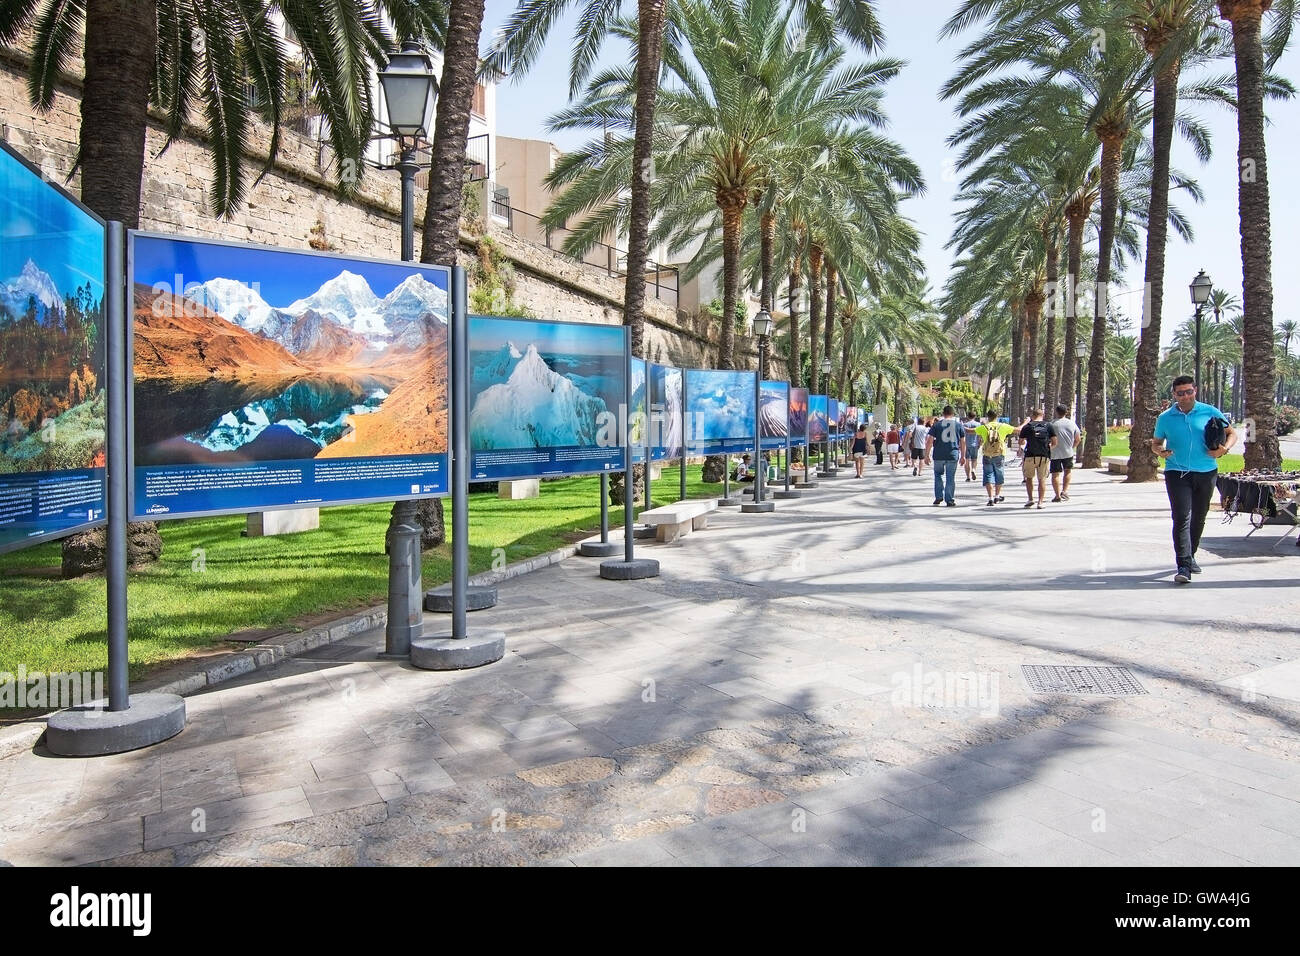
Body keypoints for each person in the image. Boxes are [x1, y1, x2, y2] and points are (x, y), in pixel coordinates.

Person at [1150, 375, 1236, 584]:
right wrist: (1160, 451)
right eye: (1181, 393)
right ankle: (1184, 565)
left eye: (1189, 391)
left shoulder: (1209, 411)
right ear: (1174, 395)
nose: (1185, 396)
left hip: (1206, 472)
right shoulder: (1165, 417)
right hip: (1176, 473)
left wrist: (1224, 450)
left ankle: (1191, 556)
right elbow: (1156, 442)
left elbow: (1232, 433)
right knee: (1181, 517)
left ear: (1195, 391)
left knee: (1199, 516)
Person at [925, 405, 967, 507]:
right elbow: (963, 442)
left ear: (943, 414)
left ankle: (939, 496)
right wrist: (963, 456)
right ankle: (949, 499)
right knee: (950, 477)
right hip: (952, 454)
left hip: (938, 454)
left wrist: (926, 455)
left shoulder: (936, 425)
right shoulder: (958, 425)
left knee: (938, 475)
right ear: (953, 414)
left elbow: (929, 441)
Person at [975, 413, 1014, 506]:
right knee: (999, 474)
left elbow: (970, 431)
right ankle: (997, 495)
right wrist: (1026, 422)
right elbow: (1018, 429)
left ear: (988, 417)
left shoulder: (983, 427)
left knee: (988, 475)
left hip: (987, 454)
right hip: (999, 454)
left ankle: (990, 498)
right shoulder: (1003, 426)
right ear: (997, 417)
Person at [1018, 408, 1053, 509]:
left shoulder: (1027, 427)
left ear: (1032, 416)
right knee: (1042, 479)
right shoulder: (1048, 426)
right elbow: (1054, 442)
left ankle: (1030, 499)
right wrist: (1048, 447)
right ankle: (1040, 502)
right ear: (1043, 415)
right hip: (1044, 456)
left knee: (1029, 478)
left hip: (1030, 455)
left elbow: (1021, 441)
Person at [1048, 404, 1081, 502]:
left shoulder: (1051, 424)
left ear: (1056, 412)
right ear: (1066, 412)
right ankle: (1065, 491)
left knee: (1055, 474)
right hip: (1068, 452)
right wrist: (1072, 447)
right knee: (1067, 471)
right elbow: (1078, 439)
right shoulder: (1072, 424)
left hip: (1054, 453)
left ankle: (1057, 495)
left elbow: (1047, 438)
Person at [962, 412, 981, 481]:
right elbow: (979, 435)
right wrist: (979, 443)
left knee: (967, 460)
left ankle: (968, 477)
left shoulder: (965, 425)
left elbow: (962, 436)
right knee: (974, 459)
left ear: (967, 416)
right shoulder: (978, 424)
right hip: (975, 444)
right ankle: (973, 469)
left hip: (966, 444)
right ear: (975, 416)